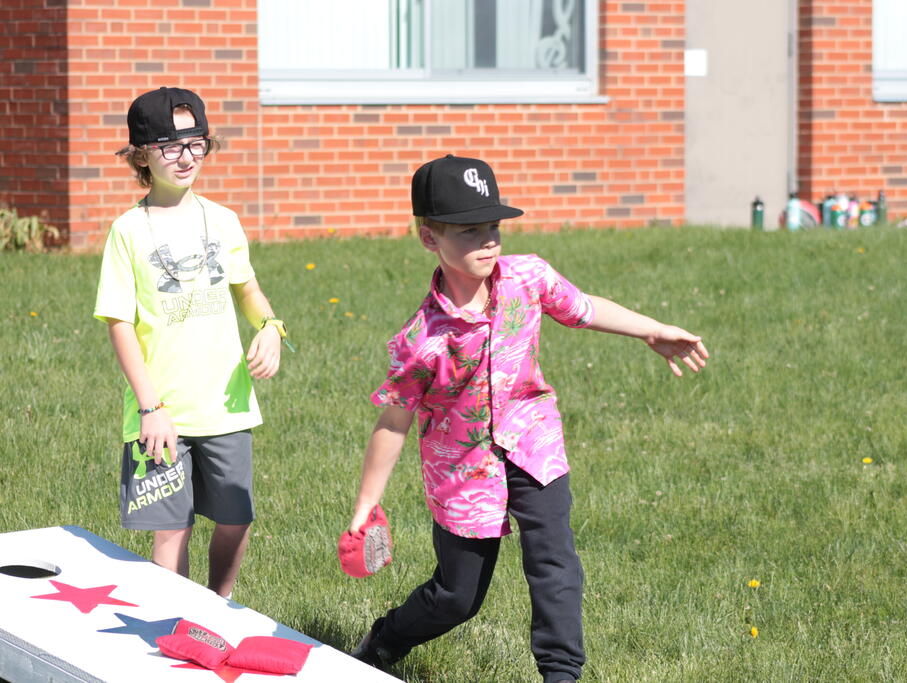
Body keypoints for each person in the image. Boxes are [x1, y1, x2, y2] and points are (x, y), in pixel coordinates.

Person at [347, 154, 709, 682]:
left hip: (533, 443)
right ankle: (386, 640)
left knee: (554, 561)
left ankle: (561, 673)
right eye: (470, 231)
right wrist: (366, 504)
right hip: (463, 471)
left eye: (494, 226)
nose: (489, 241)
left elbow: (583, 308)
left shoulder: (528, 277)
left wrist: (650, 329)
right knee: (457, 597)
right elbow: (393, 422)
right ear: (429, 238)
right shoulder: (421, 340)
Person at [94, 87, 291, 597]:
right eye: (169, 145)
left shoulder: (223, 220)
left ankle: (218, 608)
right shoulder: (127, 231)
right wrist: (150, 408)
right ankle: (174, 624)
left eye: (195, 143)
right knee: (171, 531)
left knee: (236, 518)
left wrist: (270, 327)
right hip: (160, 412)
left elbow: (248, 290)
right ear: (141, 155)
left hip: (226, 406)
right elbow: (119, 323)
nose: (185, 156)